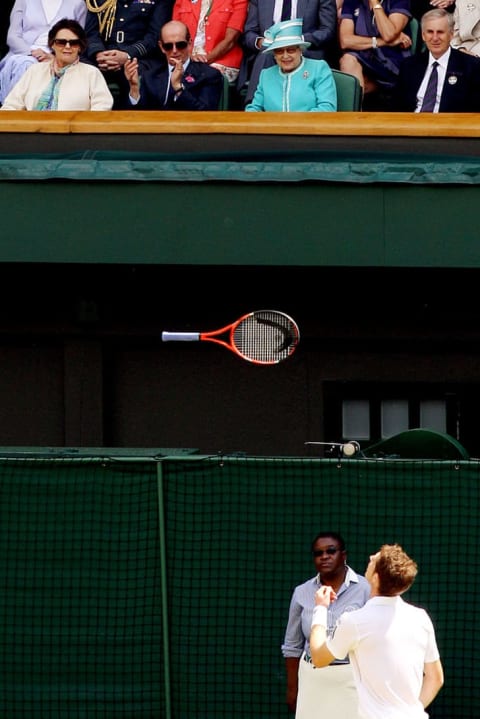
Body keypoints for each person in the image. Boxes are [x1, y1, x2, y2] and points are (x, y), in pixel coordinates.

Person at [310, 543, 444, 719]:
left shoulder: (355, 621)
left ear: (376, 578)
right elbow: (435, 679)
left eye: (375, 560)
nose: (371, 557)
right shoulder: (421, 618)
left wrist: (320, 609)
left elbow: (319, 658)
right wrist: (410, 712)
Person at [281, 532, 370, 718]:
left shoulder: (366, 588)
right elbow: (292, 646)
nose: (324, 557)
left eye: (331, 551)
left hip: (352, 677)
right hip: (312, 677)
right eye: (318, 553)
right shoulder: (301, 592)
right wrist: (293, 688)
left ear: (343, 555)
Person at [1, 18, 113, 111]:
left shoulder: (91, 73)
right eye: (61, 42)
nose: (67, 47)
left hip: (74, 134)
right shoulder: (34, 70)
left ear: (80, 47)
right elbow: (11, 105)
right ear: (52, 44)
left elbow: (102, 108)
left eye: (73, 43)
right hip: (32, 133)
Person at [239, 0, 337, 105]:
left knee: (287, 53)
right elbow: (249, 32)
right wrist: (261, 42)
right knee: (266, 55)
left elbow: (327, 30)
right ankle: (253, 108)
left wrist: (297, 40)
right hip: (270, 49)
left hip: (306, 48)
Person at [83, 0, 173, 108]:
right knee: (80, 70)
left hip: (139, 58)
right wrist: (98, 54)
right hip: (103, 57)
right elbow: (91, 33)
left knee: (143, 80)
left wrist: (127, 55)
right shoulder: (97, 1)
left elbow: (154, 36)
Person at [0, 0, 87, 105]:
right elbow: (12, 37)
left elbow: (78, 39)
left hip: (59, 55)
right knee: (26, 64)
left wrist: (54, 57)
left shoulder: (77, 3)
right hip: (23, 52)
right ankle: (14, 113)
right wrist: (32, 53)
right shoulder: (23, 1)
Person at [392, 8, 480, 110]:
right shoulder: (408, 65)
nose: (435, 38)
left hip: (449, 124)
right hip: (412, 123)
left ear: (451, 35)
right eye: (430, 32)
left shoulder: (471, 66)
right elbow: (397, 107)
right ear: (423, 35)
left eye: (440, 32)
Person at [124, 20, 223, 109]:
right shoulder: (150, 75)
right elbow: (138, 118)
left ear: (189, 43)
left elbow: (206, 115)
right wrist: (134, 88)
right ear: (161, 47)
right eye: (168, 46)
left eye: (180, 45)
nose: (174, 51)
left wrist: (178, 87)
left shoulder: (208, 74)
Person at [338, 0, 413, 107]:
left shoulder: (399, 1)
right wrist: (379, 42)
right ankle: (352, 116)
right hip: (364, 63)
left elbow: (388, 34)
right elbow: (345, 41)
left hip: (391, 65)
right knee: (348, 60)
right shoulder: (352, 2)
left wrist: (374, 3)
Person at [172, 0, 248, 84]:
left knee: (199, 78)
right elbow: (175, 35)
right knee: (167, 77)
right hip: (187, 58)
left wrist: (205, 60)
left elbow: (230, 40)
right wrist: (189, 58)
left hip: (220, 61)